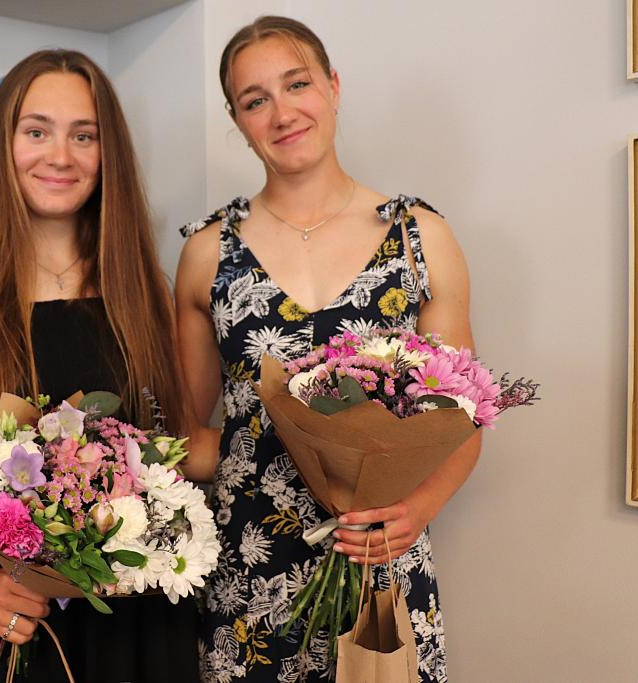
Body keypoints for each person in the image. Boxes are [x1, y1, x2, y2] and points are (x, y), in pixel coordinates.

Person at [175, 16, 480, 683]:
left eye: (297, 84)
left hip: (380, 570)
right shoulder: (206, 252)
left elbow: (464, 421)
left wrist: (415, 512)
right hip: (247, 575)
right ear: (237, 118)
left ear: (333, 86)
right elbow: (190, 432)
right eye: (255, 100)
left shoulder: (420, 237)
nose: (282, 113)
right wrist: (105, 475)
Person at [0, 49, 198, 682]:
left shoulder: (143, 288)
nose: (60, 156)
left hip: (131, 619)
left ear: (108, 154)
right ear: (4, 144)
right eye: (37, 131)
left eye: (84, 136)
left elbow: (169, 447)